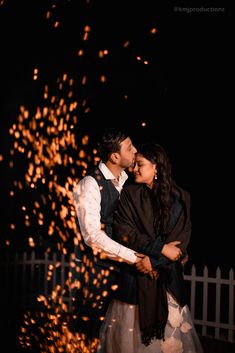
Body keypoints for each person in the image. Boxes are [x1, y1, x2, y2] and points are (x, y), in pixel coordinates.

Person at [72, 130, 182, 346]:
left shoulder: (127, 180)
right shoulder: (89, 183)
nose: (135, 151)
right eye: (129, 148)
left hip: (125, 273)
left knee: (119, 336)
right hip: (98, 271)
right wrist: (136, 258)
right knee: (91, 333)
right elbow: (93, 237)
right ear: (114, 156)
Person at [99, 142, 204, 353]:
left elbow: (181, 241)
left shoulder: (180, 197)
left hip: (167, 282)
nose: (134, 169)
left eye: (140, 165)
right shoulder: (129, 195)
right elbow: (124, 232)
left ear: (156, 167)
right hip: (134, 283)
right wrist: (161, 249)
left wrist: (152, 260)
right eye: (134, 164)